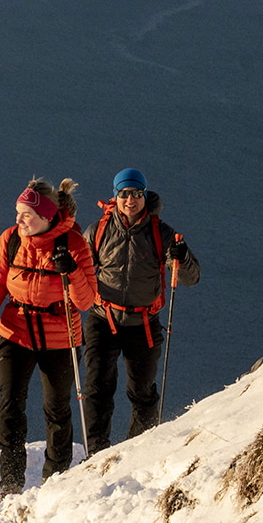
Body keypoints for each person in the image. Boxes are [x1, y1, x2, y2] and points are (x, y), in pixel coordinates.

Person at [0, 178, 97, 495]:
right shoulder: (10, 240)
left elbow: (86, 301)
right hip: (16, 330)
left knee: (57, 409)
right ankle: (11, 483)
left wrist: (72, 271)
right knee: (10, 406)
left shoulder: (74, 244)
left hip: (61, 336)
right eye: (18, 212)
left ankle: (56, 480)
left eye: (25, 214)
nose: (18, 220)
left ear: (46, 216)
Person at [81, 167, 200, 452]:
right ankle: (96, 453)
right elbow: (78, 269)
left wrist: (181, 259)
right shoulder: (98, 230)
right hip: (102, 318)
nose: (130, 200)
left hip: (143, 324)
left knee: (142, 393)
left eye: (136, 193)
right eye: (124, 194)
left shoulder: (163, 234)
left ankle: (136, 451)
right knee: (97, 389)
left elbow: (191, 278)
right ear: (115, 196)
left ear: (145, 196)